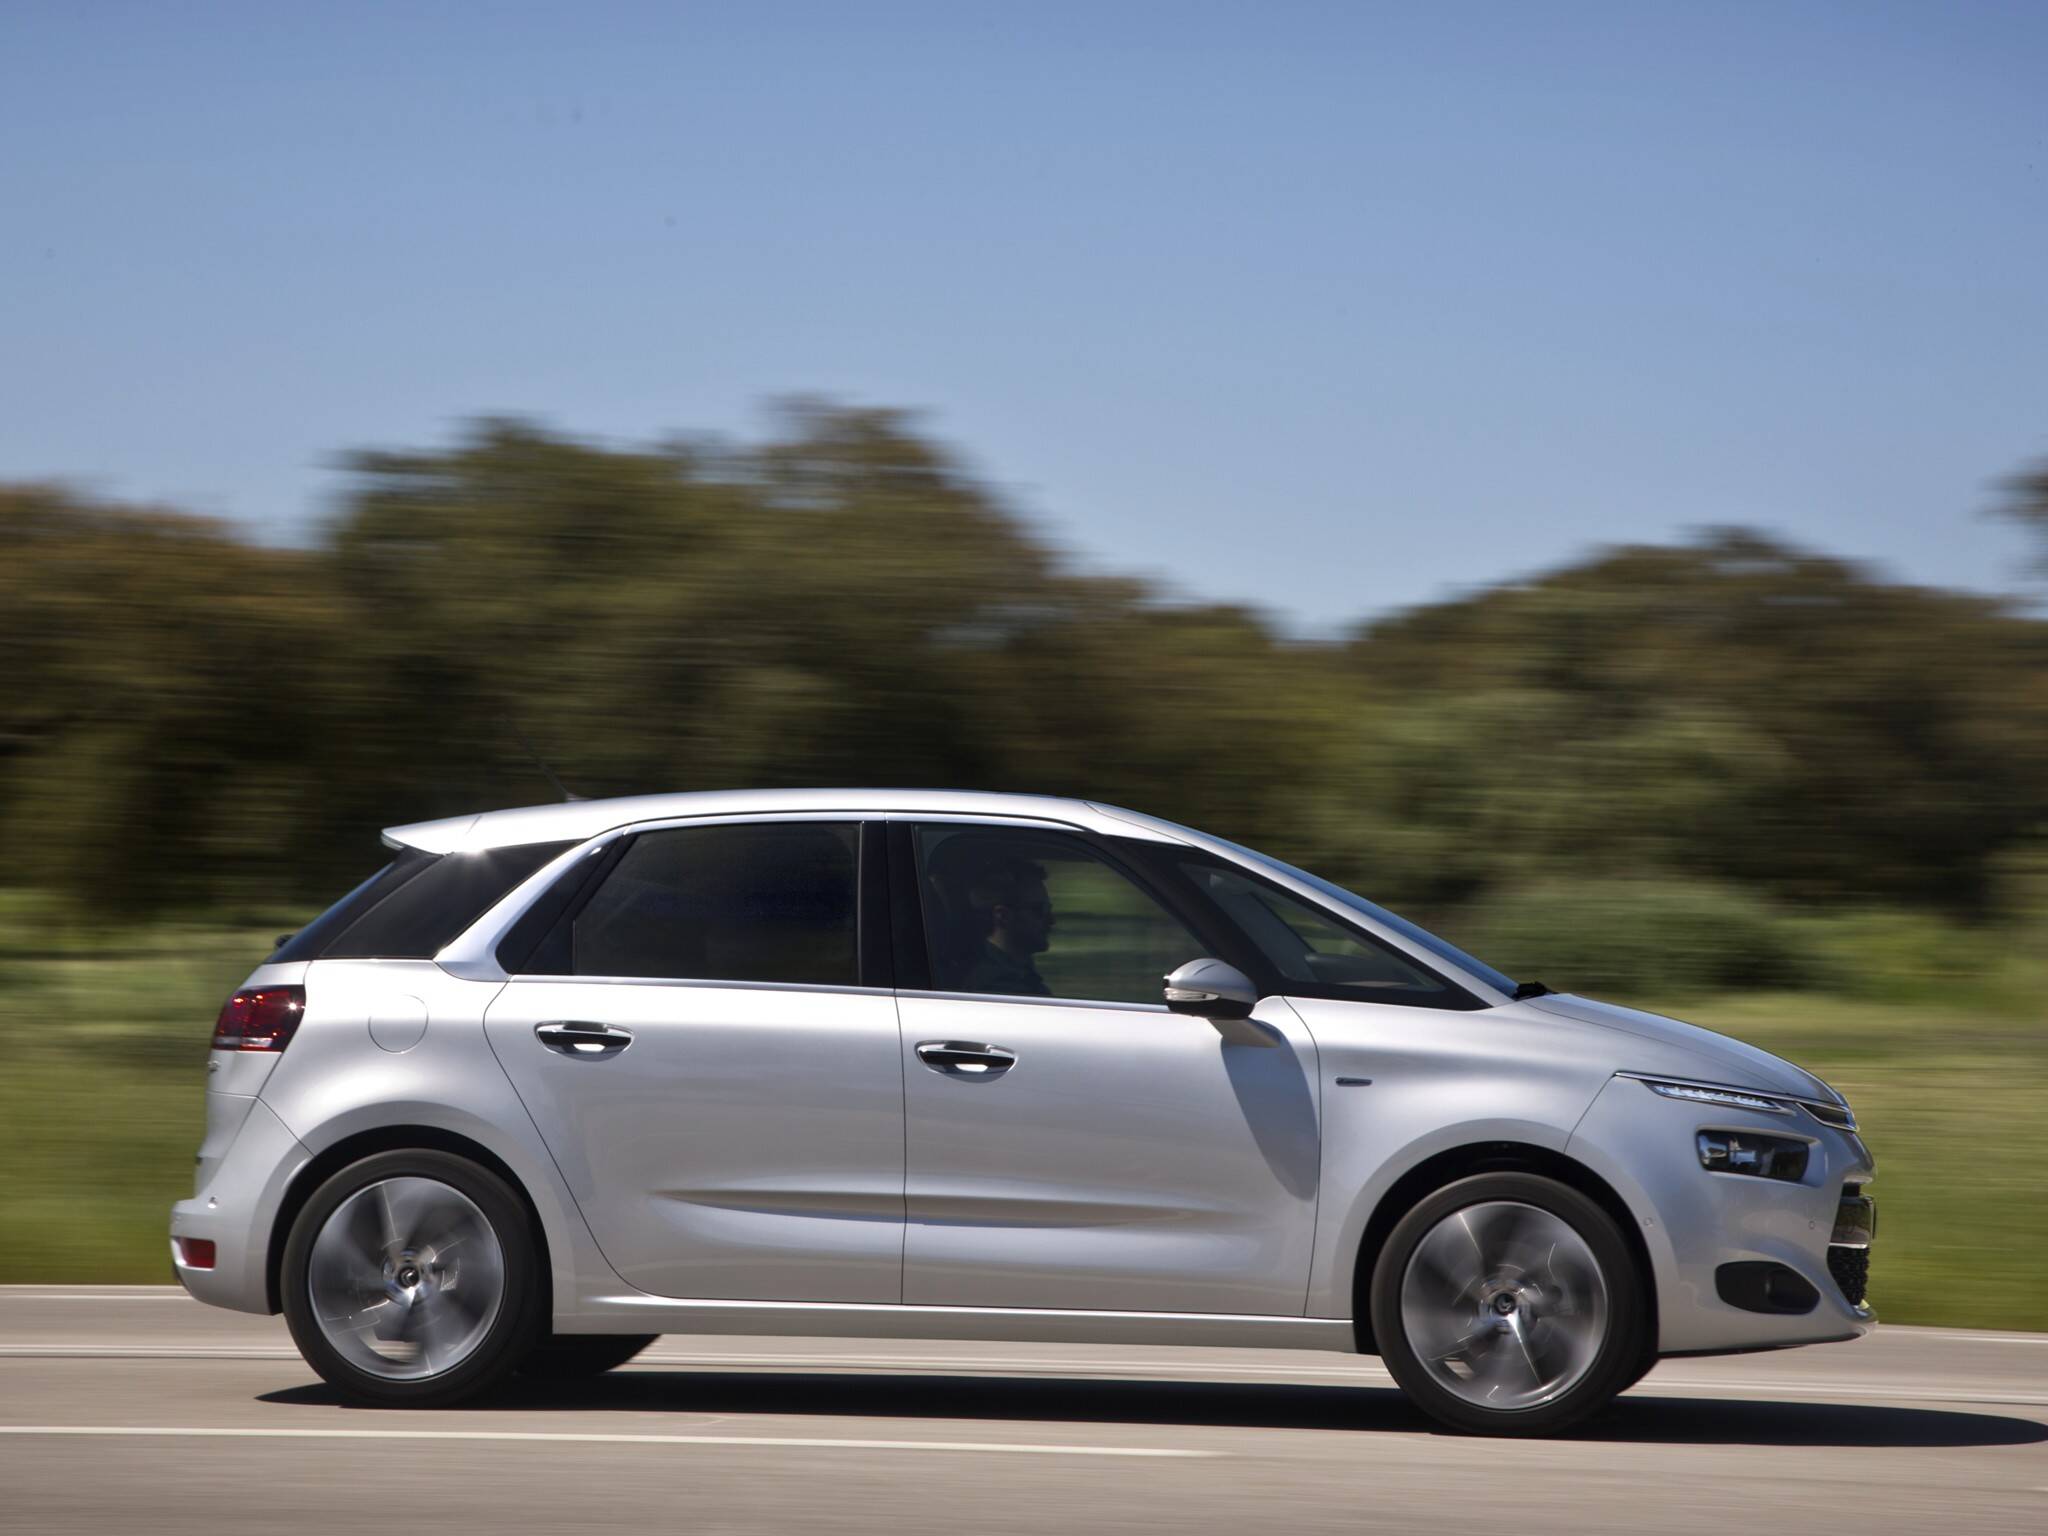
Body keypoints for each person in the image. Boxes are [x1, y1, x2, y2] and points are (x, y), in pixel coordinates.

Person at [960, 853, 1054, 997]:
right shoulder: (999, 987)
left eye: (1048, 909)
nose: (1051, 920)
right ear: (1003, 916)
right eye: (1038, 910)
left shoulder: (1019, 972)